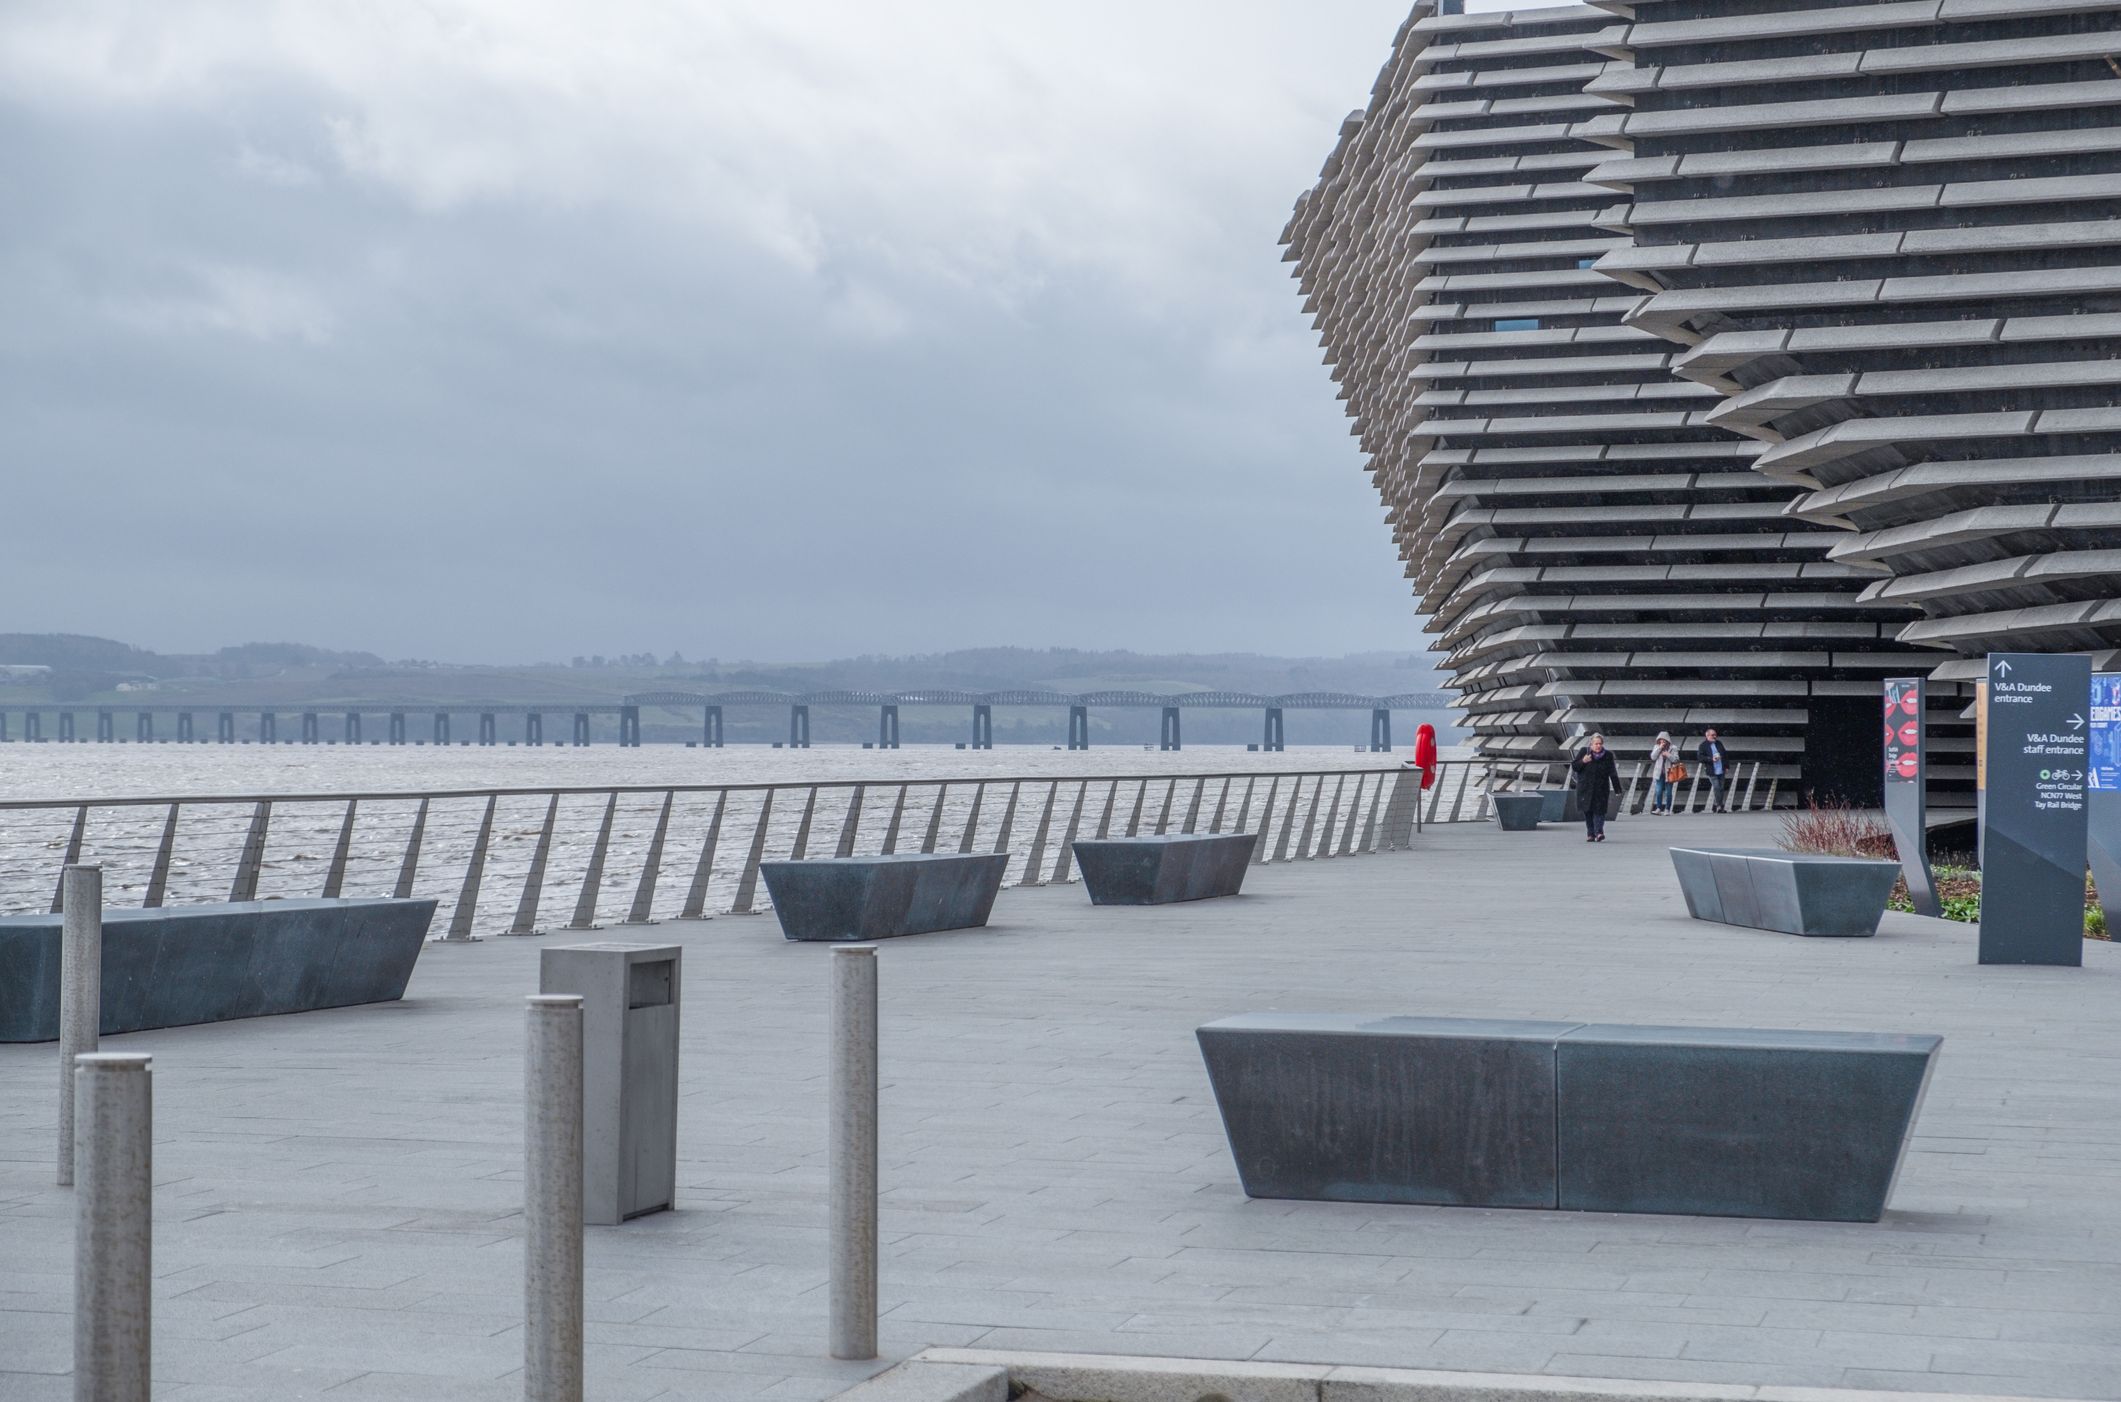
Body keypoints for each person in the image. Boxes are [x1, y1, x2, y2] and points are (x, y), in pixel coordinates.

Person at [1573, 732, 1619, 842]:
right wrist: (1583, 761)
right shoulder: (1584, 752)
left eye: (1600, 744)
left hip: (1601, 788)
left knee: (1600, 810)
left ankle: (1599, 832)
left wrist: (1617, 788)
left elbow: (1612, 772)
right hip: (1586, 788)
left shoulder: (1608, 755)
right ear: (1591, 744)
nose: (1598, 746)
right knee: (1588, 811)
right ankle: (1590, 833)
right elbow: (1574, 766)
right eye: (1596, 744)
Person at [1697, 727, 1732, 812]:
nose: (1714, 736)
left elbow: (1725, 755)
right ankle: (1719, 806)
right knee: (1716, 787)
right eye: (1712, 735)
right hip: (1711, 770)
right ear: (1707, 735)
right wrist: (1710, 759)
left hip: (1721, 769)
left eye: (1715, 735)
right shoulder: (1703, 745)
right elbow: (1700, 758)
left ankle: (1719, 805)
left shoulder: (1719, 743)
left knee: (1721, 788)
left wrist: (1727, 766)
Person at [1648, 730, 1678, 814]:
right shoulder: (1656, 747)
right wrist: (1659, 748)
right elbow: (1653, 757)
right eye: (1660, 740)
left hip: (1669, 773)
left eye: (1664, 740)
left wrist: (1667, 754)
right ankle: (1658, 808)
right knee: (1658, 791)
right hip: (1659, 772)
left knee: (1668, 792)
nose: (1662, 742)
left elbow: (1676, 759)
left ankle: (1667, 809)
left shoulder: (1673, 748)